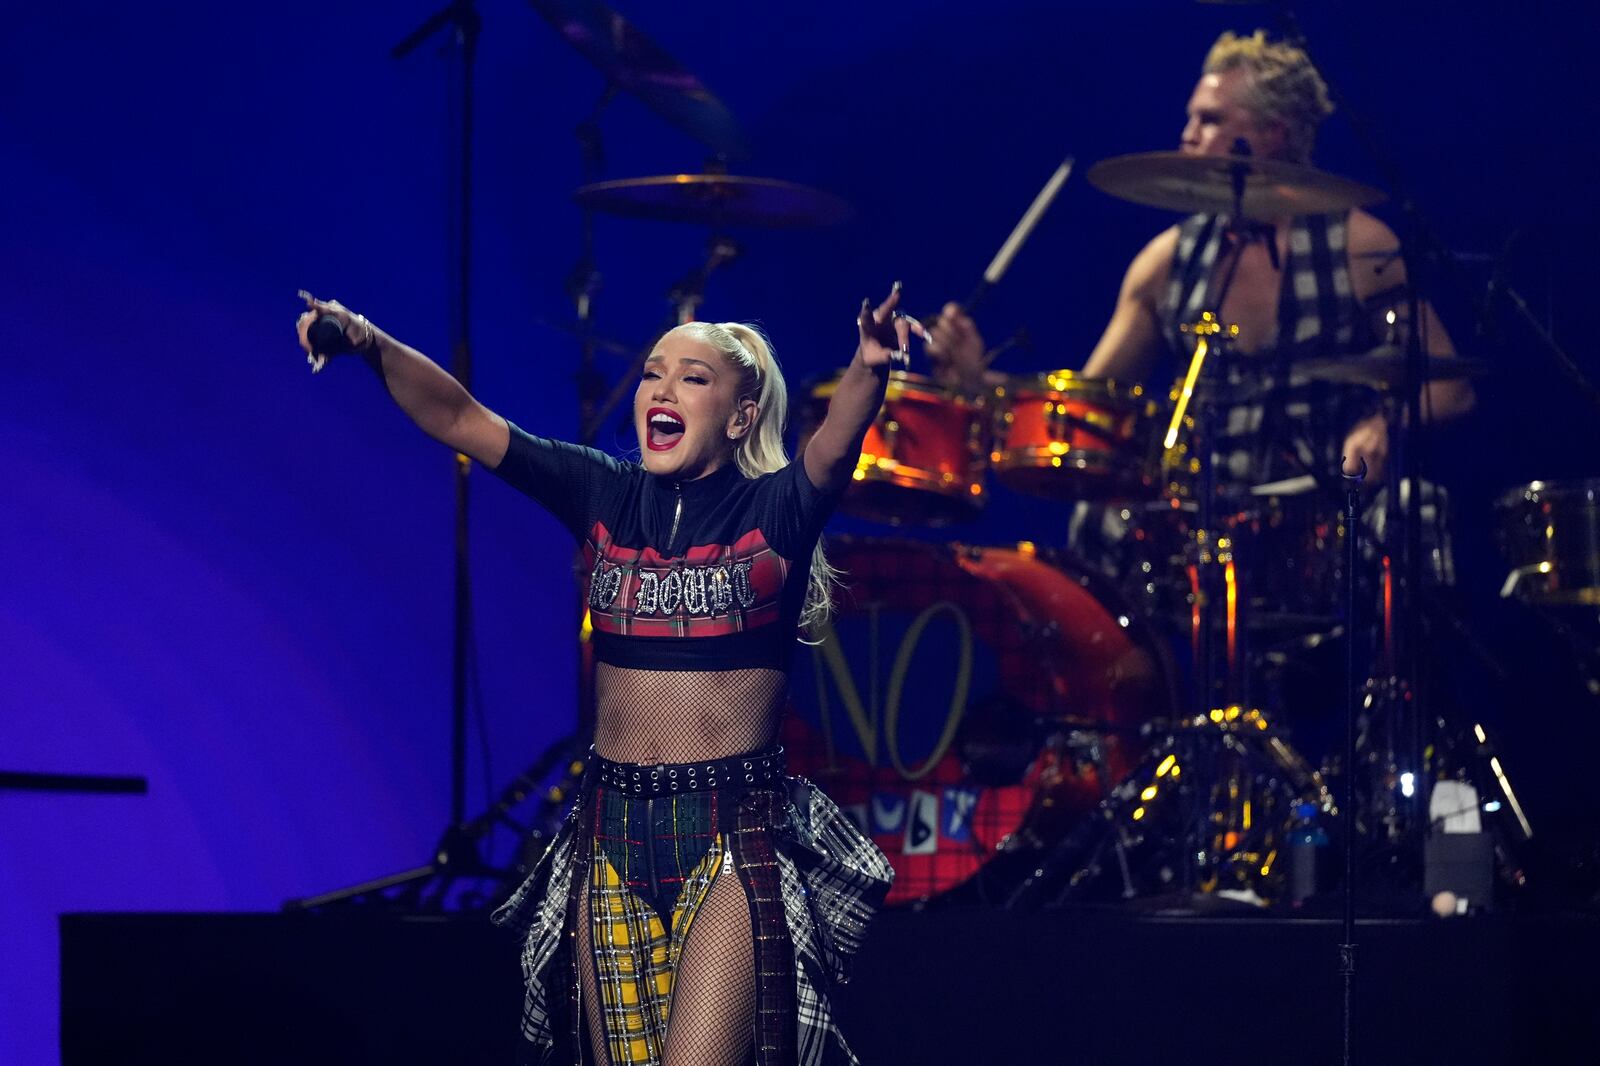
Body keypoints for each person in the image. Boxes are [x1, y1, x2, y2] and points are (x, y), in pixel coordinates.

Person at [294, 287, 909, 1065]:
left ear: (742, 415)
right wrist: (368, 338)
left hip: (724, 833)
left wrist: (869, 365)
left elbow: (833, 445)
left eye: (693, 377)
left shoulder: (776, 510)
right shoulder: (603, 493)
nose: (661, 388)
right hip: (610, 831)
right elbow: (460, 419)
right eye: (654, 372)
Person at [926, 29, 1475, 489]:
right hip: (1196, 525)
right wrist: (980, 383)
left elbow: (1450, 387)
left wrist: (1386, 425)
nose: (1186, 136)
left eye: (1209, 120)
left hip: (1325, 515)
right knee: (1099, 528)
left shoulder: (1357, 246)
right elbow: (1086, 414)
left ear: (1271, 134)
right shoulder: (1166, 263)